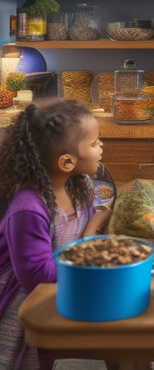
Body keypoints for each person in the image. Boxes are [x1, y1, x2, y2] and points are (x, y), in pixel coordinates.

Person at [0, 99, 105, 370]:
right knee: (27, 361)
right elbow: (37, 275)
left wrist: (94, 228)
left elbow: (80, 239)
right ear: (67, 161)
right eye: (94, 144)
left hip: (60, 290)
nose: (101, 148)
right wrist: (92, 245)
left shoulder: (80, 189)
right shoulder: (28, 207)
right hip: (21, 301)